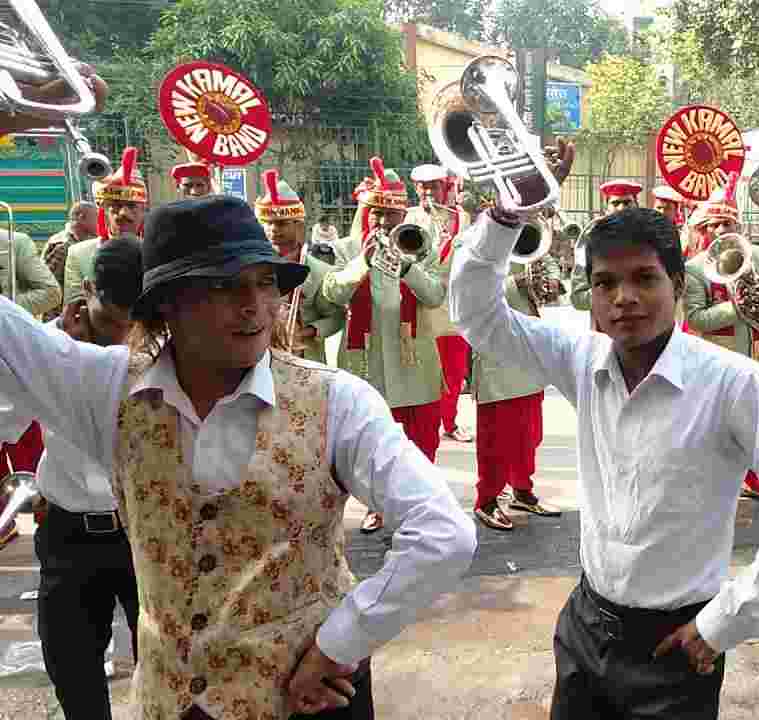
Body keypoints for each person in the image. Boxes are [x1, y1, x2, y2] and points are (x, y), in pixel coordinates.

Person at [0, 195, 476, 719]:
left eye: (265, 282)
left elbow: (443, 534)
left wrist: (341, 642)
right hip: (171, 704)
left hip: (307, 700)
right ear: (168, 304)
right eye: (225, 286)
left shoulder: (337, 400)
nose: (254, 305)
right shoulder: (109, 389)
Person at [451, 205, 759, 718]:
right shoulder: (581, 357)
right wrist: (505, 217)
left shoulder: (734, 383)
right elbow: (477, 314)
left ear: (678, 286)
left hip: (678, 646)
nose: (624, 298)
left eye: (644, 279)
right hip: (586, 627)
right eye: (605, 283)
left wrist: (723, 623)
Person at [8, 237, 143, 720]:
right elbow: (7, 422)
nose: (123, 336)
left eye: (135, 324)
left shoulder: (161, 351)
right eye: (112, 322)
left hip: (143, 530)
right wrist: (59, 357)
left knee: (171, 665)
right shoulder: (46, 348)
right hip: (69, 534)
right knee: (72, 670)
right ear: (87, 292)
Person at [322, 157, 447, 534]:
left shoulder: (421, 245)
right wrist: (363, 262)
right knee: (371, 445)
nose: (382, 223)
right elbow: (331, 292)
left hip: (414, 361)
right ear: (366, 212)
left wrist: (408, 266)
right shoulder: (346, 248)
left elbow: (436, 295)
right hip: (366, 363)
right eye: (376, 214)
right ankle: (377, 505)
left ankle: (421, 505)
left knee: (421, 441)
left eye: (390, 216)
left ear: (401, 216)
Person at [682, 173, 759, 503]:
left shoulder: (754, 254)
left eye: (728, 225)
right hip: (717, 358)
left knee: (757, 419)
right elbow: (696, 318)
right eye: (714, 225)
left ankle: (755, 478)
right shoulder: (695, 269)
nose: (722, 232)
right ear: (704, 230)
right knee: (716, 423)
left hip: (757, 351)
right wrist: (737, 307)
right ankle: (716, 481)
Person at [470, 251, 564, 531]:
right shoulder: (476, 243)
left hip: (530, 347)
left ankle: (522, 490)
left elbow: (548, 265)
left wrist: (553, 281)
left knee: (529, 433)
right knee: (496, 440)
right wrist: (517, 284)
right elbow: (469, 291)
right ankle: (486, 500)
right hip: (497, 351)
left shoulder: (530, 238)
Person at [0, 204, 63, 548]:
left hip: (10, 362)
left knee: (28, 459)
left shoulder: (15, 242)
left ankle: (23, 532)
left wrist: (7, 310)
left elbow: (50, 292)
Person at [409, 164, 474, 443]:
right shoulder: (408, 216)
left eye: (434, 186)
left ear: (444, 187)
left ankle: (449, 422)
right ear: (415, 188)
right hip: (418, 304)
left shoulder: (461, 218)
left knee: (453, 370)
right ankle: (425, 423)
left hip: (452, 305)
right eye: (423, 187)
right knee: (421, 369)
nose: (428, 192)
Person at [255, 169, 345, 363]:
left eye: (281, 224)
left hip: (304, 358)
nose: (273, 230)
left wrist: (304, 333)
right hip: (258, 356)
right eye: (268, 223)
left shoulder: (320, 271)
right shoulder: (252, 268)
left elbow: (337, 317)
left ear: (298, 226)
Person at [65, 147, 147, 307]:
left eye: (132, 206)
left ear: (143, 209)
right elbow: (75, 308)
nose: (124, 214)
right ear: (103, 210)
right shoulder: (78, 254)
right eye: (115, 206)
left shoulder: (158, 251)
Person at [570, 179, 645, 312]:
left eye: (627, 202)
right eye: (615, 203)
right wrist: (610, 294)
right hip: (606, 326)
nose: (621, 208)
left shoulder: (650, 234)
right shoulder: (592, 234)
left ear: (637, 206)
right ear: (606, 209)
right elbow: (579, 298)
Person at [41, 200, 97, 313]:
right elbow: (49, 287)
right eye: (95, 217)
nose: (99, 221)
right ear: (81, 218)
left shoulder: (79, 242)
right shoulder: (62, 245)